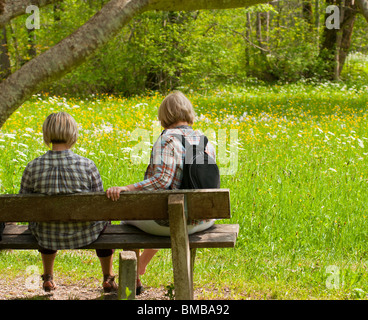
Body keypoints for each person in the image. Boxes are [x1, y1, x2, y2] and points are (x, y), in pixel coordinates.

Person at [106, 91, 217, 293]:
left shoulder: (167, 140)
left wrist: (128, 188)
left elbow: (161, 182)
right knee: (169, 211)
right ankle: (141, 265)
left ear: (164, 115)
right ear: (188, 112)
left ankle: (134, 279)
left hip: (173, 222)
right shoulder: (204, 140)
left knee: (132, 217)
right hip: (202, 220)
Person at [19, 112, 117, 293]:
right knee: (106, 220)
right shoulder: (87, 165)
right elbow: (100, 207)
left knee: (44, 221)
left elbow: (22, 204)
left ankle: (48, 276)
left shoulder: (32, 167)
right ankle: (108, 277)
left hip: (46, 235)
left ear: (46, 135)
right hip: (85, 233)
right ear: (73, 134)